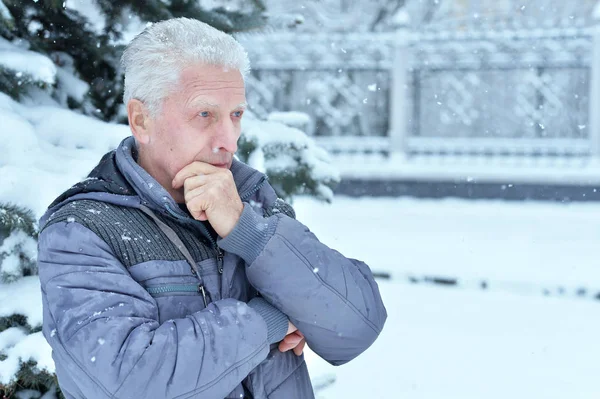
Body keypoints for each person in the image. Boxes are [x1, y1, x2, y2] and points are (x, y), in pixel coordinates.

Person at [37, 17, 387, 399]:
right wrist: (270, 320)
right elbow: (130, 382)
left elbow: (356, 326)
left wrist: (247, 232)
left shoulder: (251, 198)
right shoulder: (83, 230)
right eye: (205, 115)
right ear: (141, 119)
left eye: (236, 114)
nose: (229, 141)